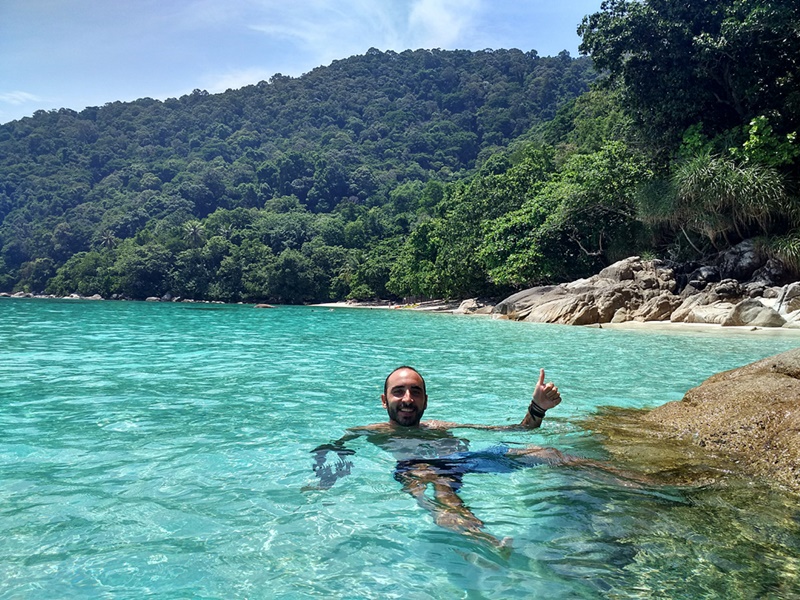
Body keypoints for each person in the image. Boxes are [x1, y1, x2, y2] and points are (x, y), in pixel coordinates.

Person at [308, 366, 571, 548]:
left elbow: (521, 429)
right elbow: (333, 451)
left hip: (464, 458)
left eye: (415, 392)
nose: (407, 399)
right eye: (398, 391)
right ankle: (481, 540)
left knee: (550, 453)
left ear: (426, 401)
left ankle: (611, 478)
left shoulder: (440, 426)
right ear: (384, 400)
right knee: (439, 486)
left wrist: (538, 407)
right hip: (417, 468)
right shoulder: (365, 432)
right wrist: (323, 483)